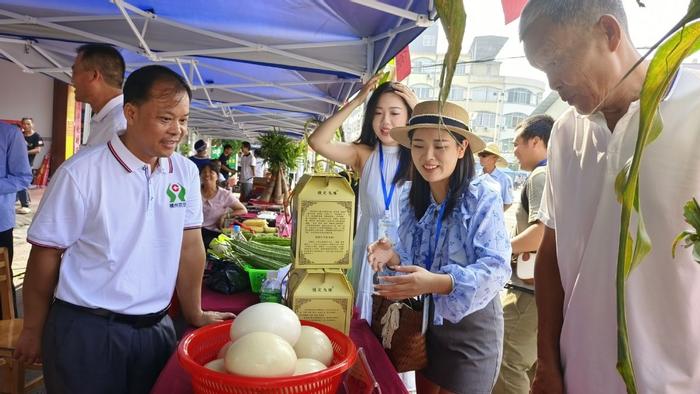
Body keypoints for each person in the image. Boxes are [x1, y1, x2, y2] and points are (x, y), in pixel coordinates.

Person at [14, 65, 235, 393]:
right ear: (131, 113)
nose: (177, 130)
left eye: (183, 120)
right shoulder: (82, 173)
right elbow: (46, 254)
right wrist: (33, 328)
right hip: (87, 331)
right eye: (165, 118)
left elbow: (190, 246)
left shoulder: (185, 172)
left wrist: (194, 311)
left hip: (155, 329)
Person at [520, 1, 700, 393]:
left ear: (608, 32)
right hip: (578, 374)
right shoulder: (567, 133)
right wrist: (548, 362)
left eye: (554, 60)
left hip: (674, 381)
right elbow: (551, 253)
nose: (552, 83)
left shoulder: (695, 107)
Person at [367, 101, 511, 394]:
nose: (428, 156)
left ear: (461, 148)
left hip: (472, 329)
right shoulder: (410, 196)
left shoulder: (482, 197)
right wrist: (391, 255)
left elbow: (496, 269)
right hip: (426, 327)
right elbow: (412, 259)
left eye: (440, 146)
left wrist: (435, 282)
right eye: (418, 145)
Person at [308, 75, 417, 323]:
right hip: (367, 252)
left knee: (397, 328)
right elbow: (317, 141)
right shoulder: (363, 155)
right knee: (363, 324)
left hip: (403, 256)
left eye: (394, 113)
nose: (385, 121)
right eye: (378, 113)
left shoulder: (420, 158)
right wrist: (357, 101)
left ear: (410, 116)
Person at [493, 114, 554, 394]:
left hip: (527, 292)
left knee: (508, 362)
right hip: (542, 289)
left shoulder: (541, 176)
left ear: (536, 141)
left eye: (517, 144)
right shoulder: (554, 173)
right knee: (531, 368)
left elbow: (540, 233)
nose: (514, 150)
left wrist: (499, 249)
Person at [0, 121, 33, 315]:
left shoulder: (9, 134)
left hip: (0, 224)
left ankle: (6, 332)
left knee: (1, 284)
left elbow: (22, 177)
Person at [71, 43, 126, 146]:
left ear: (94, 75)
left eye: (75, 72)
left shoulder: (119, 125)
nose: (72, 80)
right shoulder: (109, 118)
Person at [200, 160, 247, 248]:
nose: (207, 174)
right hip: (194, 232)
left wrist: (225, 215)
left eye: (211, 172)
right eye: (204, 172)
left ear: (217, 176)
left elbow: (243, 210)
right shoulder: (194, 193)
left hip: (213, 233)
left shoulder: (224, 194)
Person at [16, 117, 43, 214]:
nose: (26, 126)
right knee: (18, 182)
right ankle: (21, 201)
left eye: (28, 124)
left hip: (27, 163)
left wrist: (25, 152)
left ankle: (25, 205)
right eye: (24, 124)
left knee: (22, 182)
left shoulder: (36, 136)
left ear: (32, 124)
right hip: (16, 162)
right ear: (22, 125)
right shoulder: (19, 135)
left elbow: (38, 150)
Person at [478, 143, 513, 211]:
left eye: (484, 155)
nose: (480, 157)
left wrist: (494, 216)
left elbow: (508, 202)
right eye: (480, 155)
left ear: (495, 158)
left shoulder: (504, 179)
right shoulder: (475, 176)